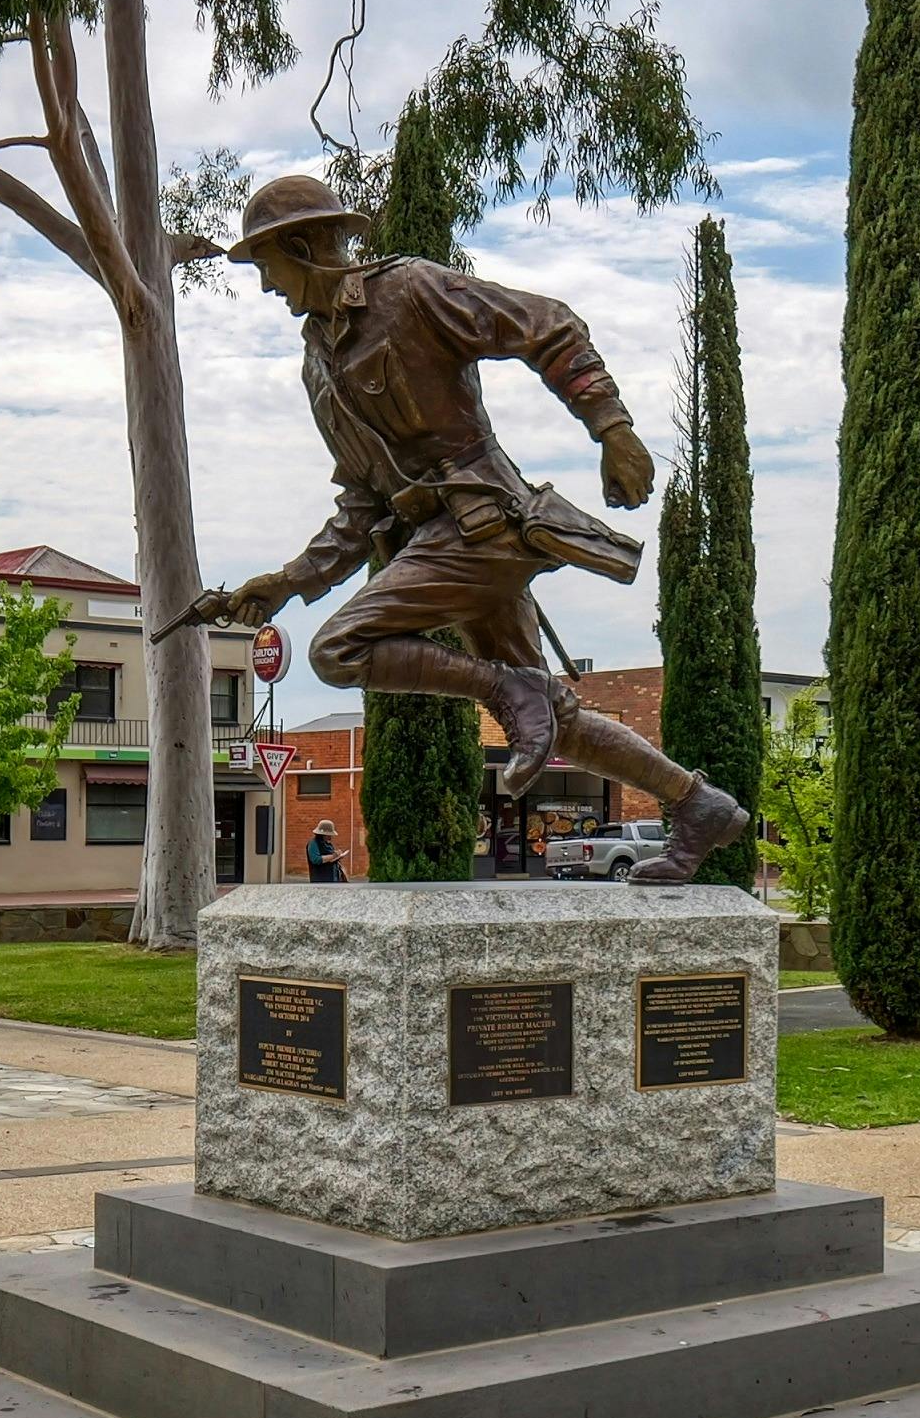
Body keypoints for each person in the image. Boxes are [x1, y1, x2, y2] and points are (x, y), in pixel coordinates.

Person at [176, 172, 753, 886]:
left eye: (267, 264)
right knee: (556, 718)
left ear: (302, 247)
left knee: (338, 650)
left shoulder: (409, 291)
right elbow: (363, 498)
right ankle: (699, 804)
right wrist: (288, 582)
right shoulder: (317, 362)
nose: (267, 285)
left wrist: (612, 427)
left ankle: (508, 690)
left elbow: (548, 324)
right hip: (445, 545)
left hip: (486, 525)